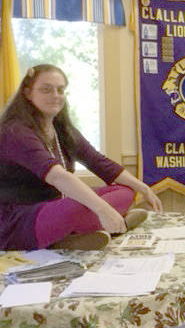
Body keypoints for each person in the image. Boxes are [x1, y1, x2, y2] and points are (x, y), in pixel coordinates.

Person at [0, 64, 163, 251]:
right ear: (28, 93)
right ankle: (101, 227)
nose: (55, 95)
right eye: (46, 89)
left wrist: (143, 188)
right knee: (79, 207)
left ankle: (81, 233)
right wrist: (103, 209)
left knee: (126, 191)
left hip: (54, 207)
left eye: (60, 90)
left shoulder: (61, 129)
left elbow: (100, 162)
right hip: (17, 220)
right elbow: (58, 176)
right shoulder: (15, 132)